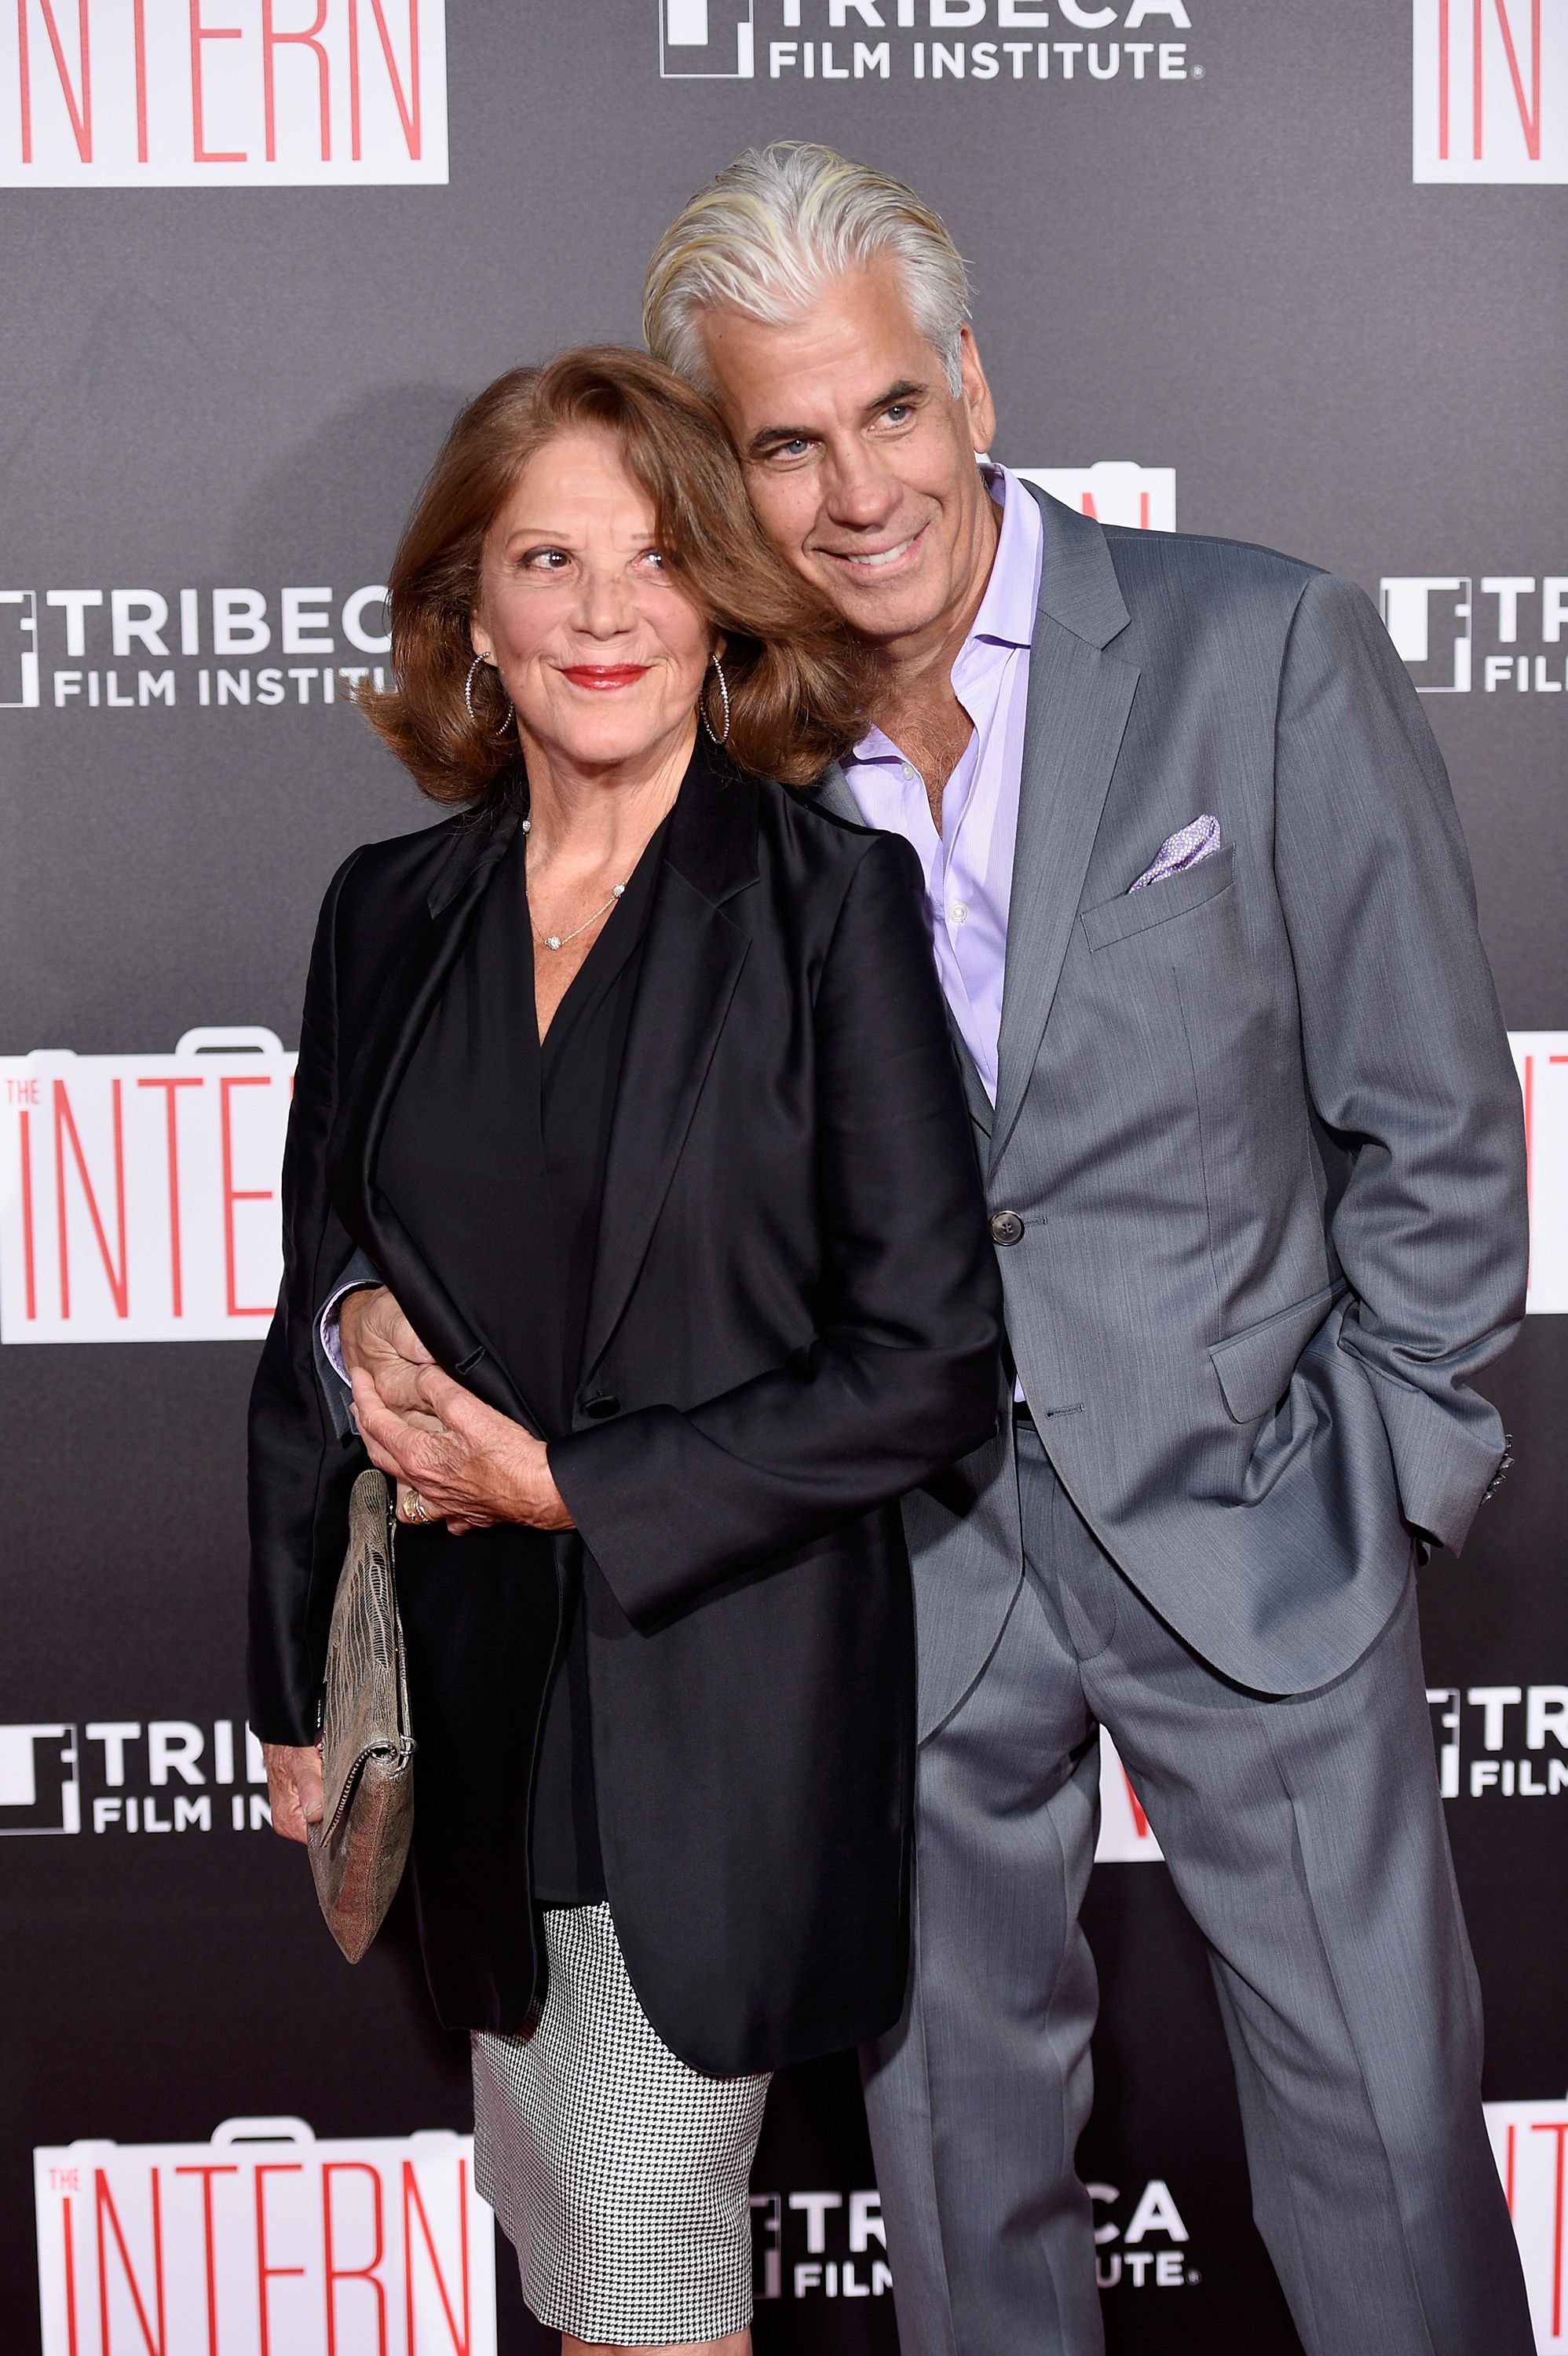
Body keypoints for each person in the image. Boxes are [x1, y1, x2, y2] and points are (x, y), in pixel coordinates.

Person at [342, 145, 1533, 2354]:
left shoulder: (1253, 646)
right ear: (722, 470)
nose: (853, 485)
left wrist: (1376, 1485)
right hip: (893, 1577)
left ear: (969, 383)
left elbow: (1438, 1127)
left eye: (886, 407)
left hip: (1255, 1527)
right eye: (781, 441)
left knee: (1376, 2155)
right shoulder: (714, 762)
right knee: (960, 2198)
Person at [246, 345, 1003, 2356]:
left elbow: (930, 1364)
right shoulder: (386, 912)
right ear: (471, 615)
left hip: (717, 1727)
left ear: (726, 598)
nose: (601, 613)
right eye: (545, 561)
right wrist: (294, 1663)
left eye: (656, 559)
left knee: (655, 2277)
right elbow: (316, 1298)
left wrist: (571, 1482)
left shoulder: (829, 906)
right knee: (588, 2272)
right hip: (474, 1730)